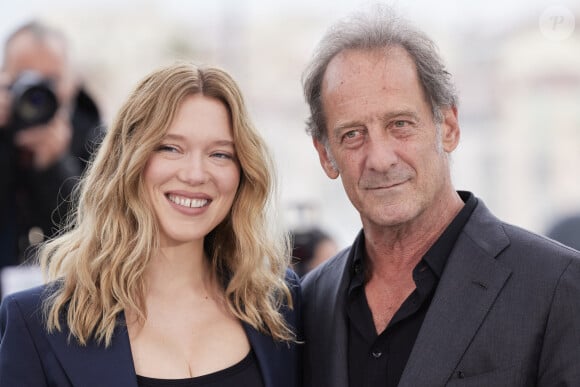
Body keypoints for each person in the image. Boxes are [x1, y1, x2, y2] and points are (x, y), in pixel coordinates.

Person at [300, 6, 580, 387]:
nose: (380, 159)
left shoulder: (558, 287)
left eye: (400, 125)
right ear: (325, 155)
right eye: (352, 134)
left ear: (448, 127)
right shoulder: (309, 301)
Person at [0, 62, 301, 387]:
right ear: (127, 160)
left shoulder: (279, 303)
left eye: (220, 154)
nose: (196, 174)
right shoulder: (35, 324)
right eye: (171, 148)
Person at [0, 21, 103, 286]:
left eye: (51, 80)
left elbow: (93, 235)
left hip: (62, 293)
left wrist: (55, 166)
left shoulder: (99, 141)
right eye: (26, 78)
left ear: (73, 81)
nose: (37, 92)